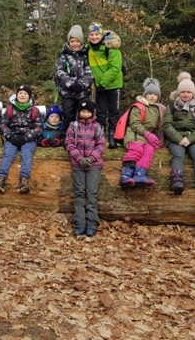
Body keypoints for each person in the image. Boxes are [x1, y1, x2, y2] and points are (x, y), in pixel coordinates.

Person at [163, 72, 195, 196]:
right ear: (178, 93)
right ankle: (177, 182)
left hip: (193, 137)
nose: (186, 94)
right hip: (176, 138)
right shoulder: (172, 107)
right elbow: (167, 125)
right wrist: (179, 139)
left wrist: (190, 139)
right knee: (178, 156)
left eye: (189, 92)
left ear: (193, 93)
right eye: (183, 92)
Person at [64, 100, 106, 237]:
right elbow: (69, 144)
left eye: (88, 112)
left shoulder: (97, 126)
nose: (85, 114)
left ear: (92, 113)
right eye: (83, 111)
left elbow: (101, 144)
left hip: (94, 165)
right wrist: (79, 158)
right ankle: (80, 223)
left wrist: (91, 158)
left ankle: (92, 224)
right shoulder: (73, 126)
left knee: (91, 193)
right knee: (80, 193)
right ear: (79, 112)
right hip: (78, 164)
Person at [0, 85, 43, 194]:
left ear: (29, 97)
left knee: (26, 154)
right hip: (13, 137)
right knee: (8, 154)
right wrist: (10, 136)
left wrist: (26, 137)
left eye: (25, 94)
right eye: (20, 93)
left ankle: (24, 181)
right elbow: (2, 125)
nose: (22, 95)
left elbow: (39, 128)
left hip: (28, 139)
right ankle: (0, 179)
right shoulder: (10, 109)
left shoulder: (35, 110)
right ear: (16, 95)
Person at [118, 78, 165, 188]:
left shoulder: (158, 109)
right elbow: (134, 124)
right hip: (134, 134)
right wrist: (147, 134)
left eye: (155, 94)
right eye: (150, 94)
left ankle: (140, 174)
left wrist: (158, 139)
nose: (152, 96)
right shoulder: (138, 106)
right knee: (137, 149)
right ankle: (125, 175)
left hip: (146, 137)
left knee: (149, 150)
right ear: (145, 95)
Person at [87, 22, 124, 148]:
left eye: (97, 34)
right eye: (91, 34)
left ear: (101, 34)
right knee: (101, 113)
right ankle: (100, 137)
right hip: (100, 86)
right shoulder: (89, 49)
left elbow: (115, 68)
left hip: (113, 85)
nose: (94, 37)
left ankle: (113, 137)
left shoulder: (111, 48)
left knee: (114, 112)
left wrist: (103, 83)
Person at [54, 25, 93, 130]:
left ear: (81, 42)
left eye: (77, 41)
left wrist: (81, 85)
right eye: (72, 41)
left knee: (84, 112)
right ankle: (67, 135)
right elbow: (59, 71)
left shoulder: (86, 56)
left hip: (82, 92)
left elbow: (89, 73)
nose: (75, 44)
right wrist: (71, 84)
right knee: (67, 113)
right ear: (68, 42)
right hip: (68, 92)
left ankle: (84, 134)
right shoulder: (63, 56)